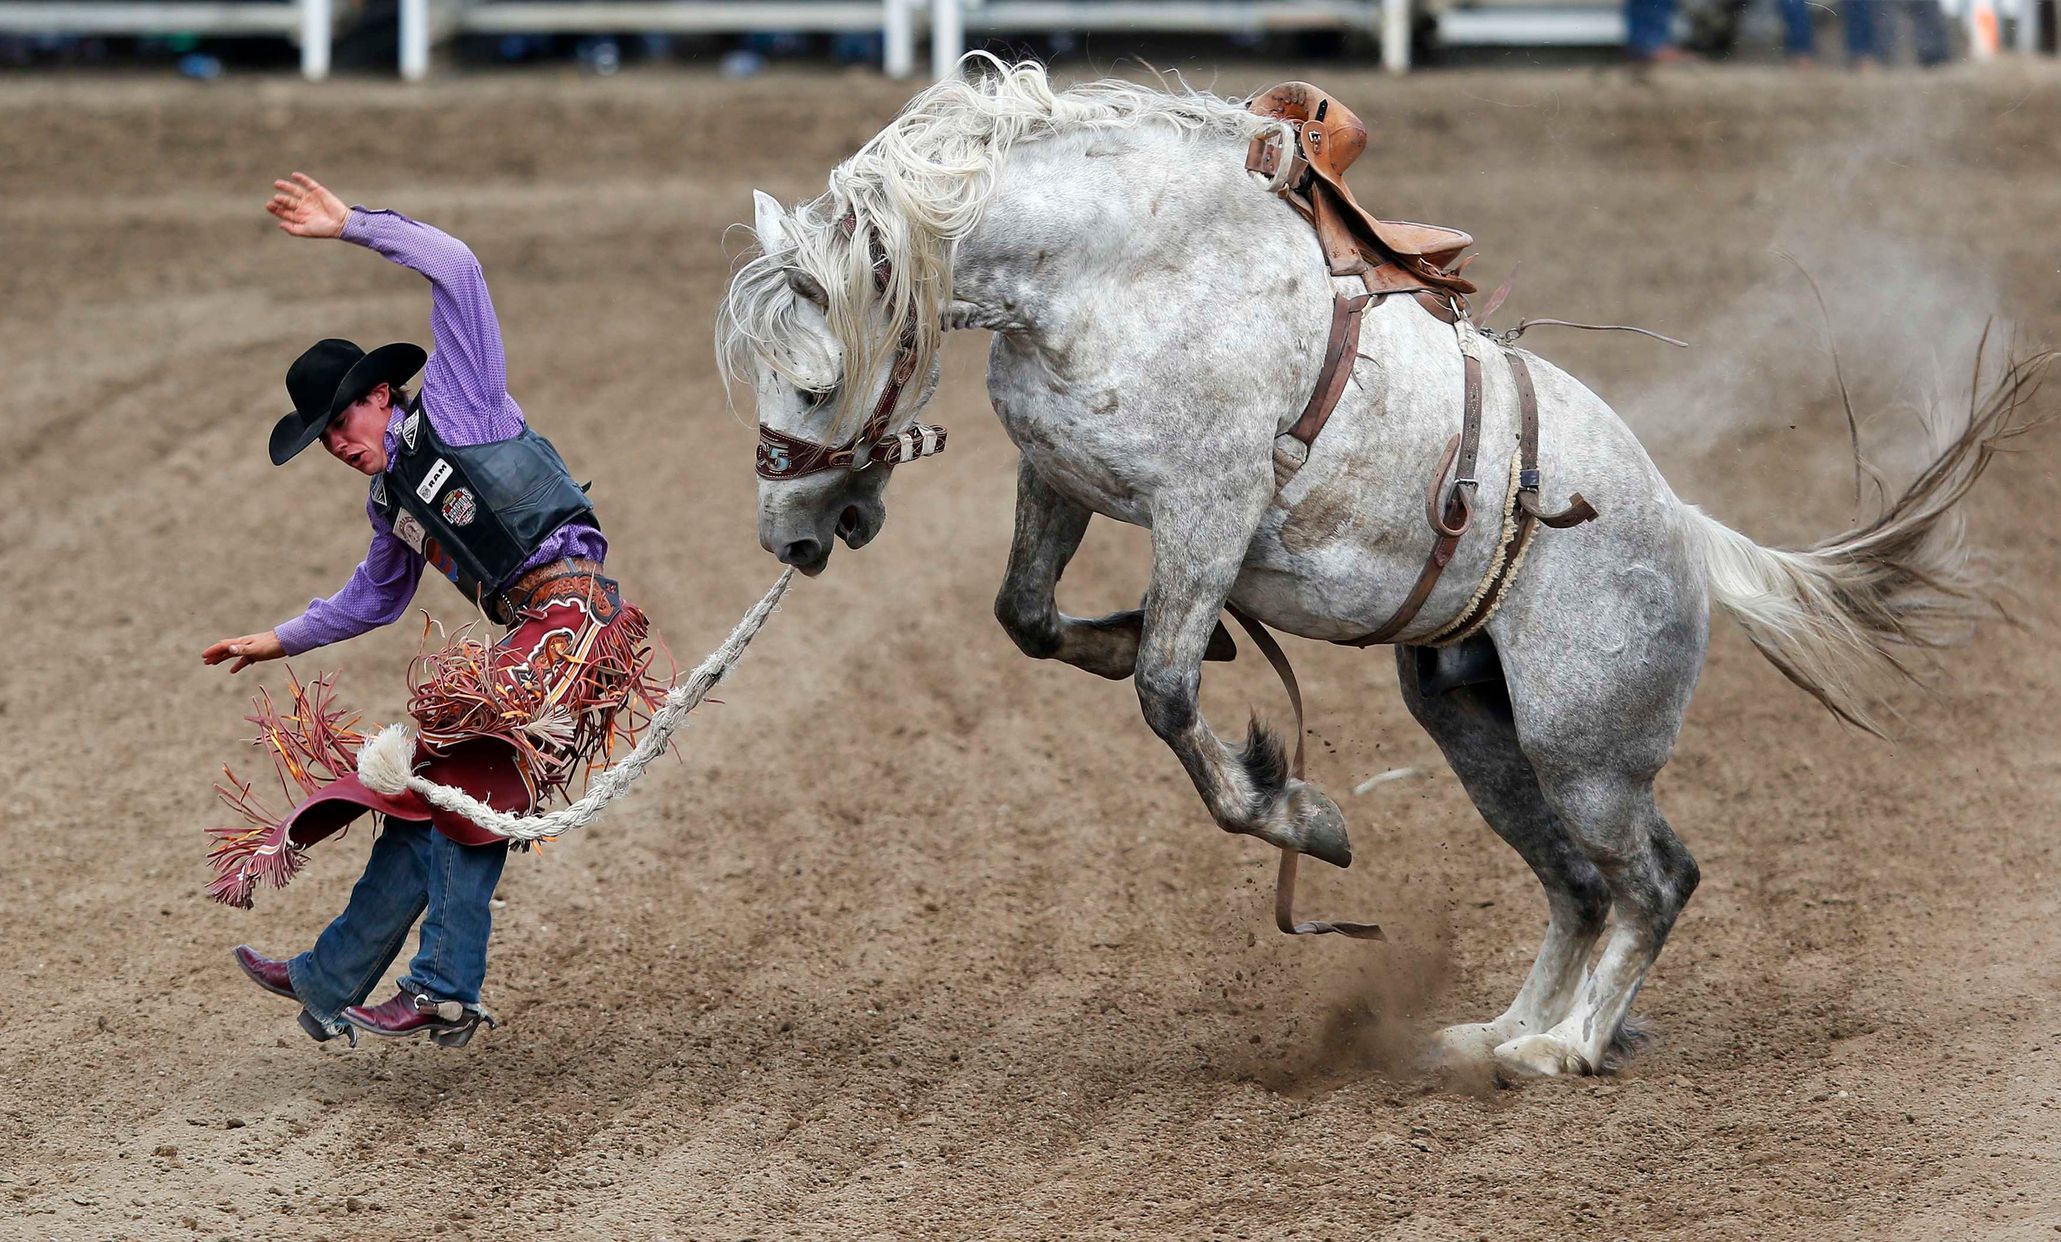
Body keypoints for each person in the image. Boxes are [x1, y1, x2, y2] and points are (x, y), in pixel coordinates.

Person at [203, 173, 658, 1046]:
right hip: (545, 634)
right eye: (324, 440)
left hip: (573, 620)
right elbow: (373, 598)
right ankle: (331, 975)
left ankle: (445, 986)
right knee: (424, 799)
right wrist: (276, 640)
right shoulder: (390, 502)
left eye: (341, 423)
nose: (338, 445)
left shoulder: (461, 401)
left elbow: (458, 268)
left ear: (381, 395)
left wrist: (351, 225)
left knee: (448, 786)